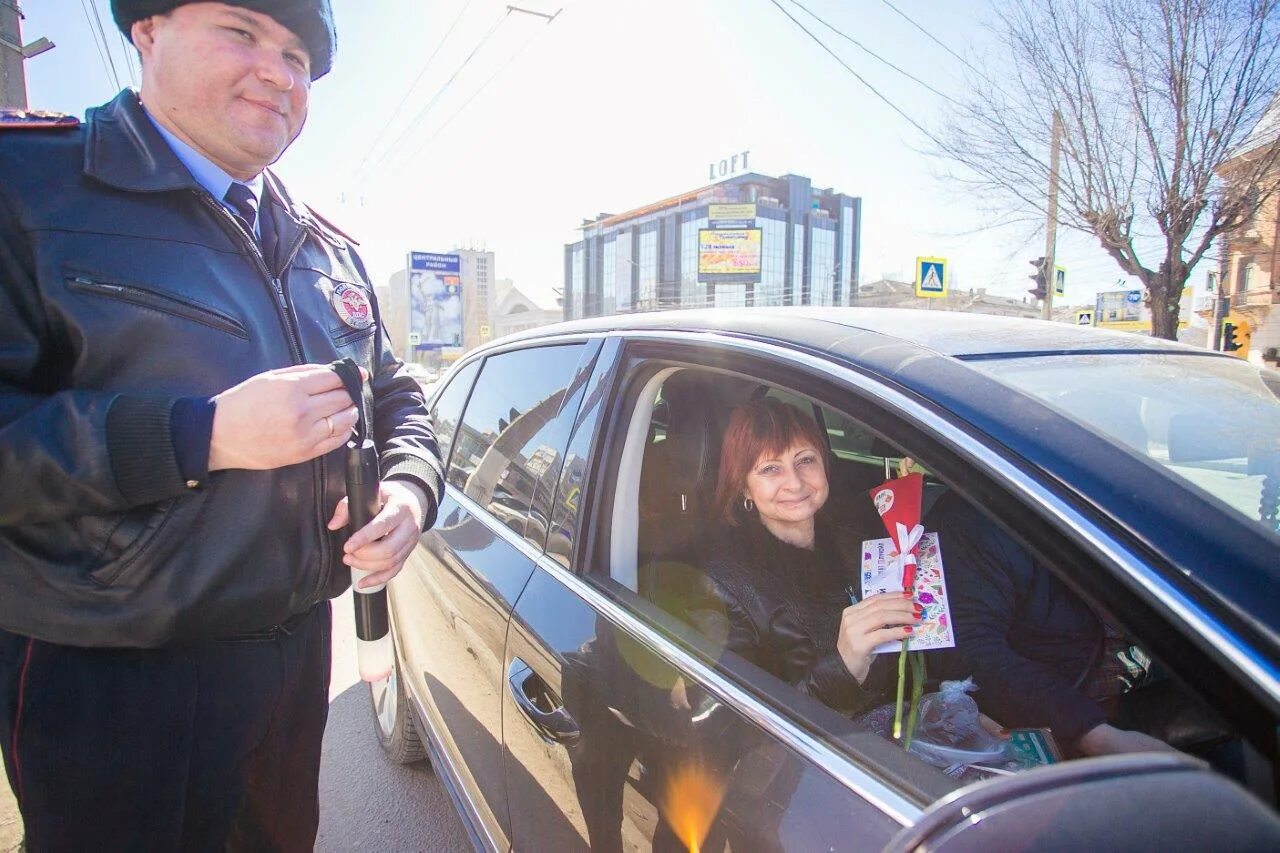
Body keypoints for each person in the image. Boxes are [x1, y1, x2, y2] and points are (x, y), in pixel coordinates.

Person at [0, 2, 442, 849]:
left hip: (291, 655)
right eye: (241, 33)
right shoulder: (28, 187)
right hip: (112, 671)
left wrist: (410, 490)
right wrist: (199, 435)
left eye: (297, 57)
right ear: (149, 33)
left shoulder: (326, 247)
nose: (277, 71)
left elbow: (396, 394)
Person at [685, 398, 920, 717]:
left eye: (805, 460)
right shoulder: (723, 585)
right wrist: (842, 667)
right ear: (745, 488)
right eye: (770, 469)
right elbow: (728, 722)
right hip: (830, 755)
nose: (795, 483)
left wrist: (946, 699)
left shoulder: (859, 524)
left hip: (910, 722)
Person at [929, 493, 1175, 757]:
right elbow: (971, 652)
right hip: (1075, 708)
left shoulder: (1103, 498)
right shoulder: (970, 521)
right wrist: (1092, 733)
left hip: (1158, 666)